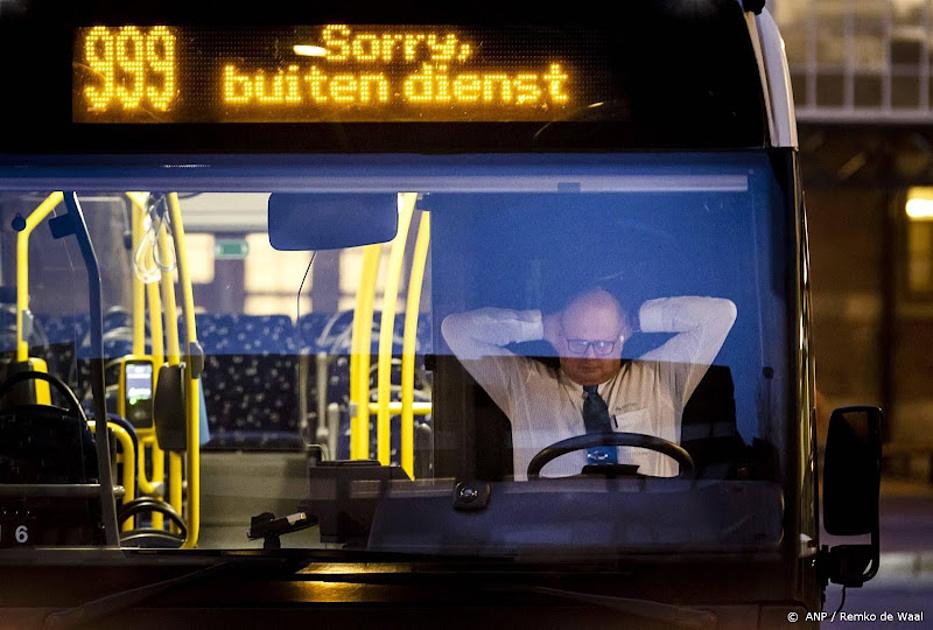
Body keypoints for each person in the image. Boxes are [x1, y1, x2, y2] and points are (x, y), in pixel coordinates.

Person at [441, 288, 736, 480]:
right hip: (552, 552)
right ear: (559, 338)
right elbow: (456, 330)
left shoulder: (661, 378)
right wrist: (541, 325)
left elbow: (721, 314)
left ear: (623, 338)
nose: (590, 356)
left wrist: (637, 319)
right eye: (579, 343)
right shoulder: (523, 385)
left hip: (649, 546)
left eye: (603, 344)